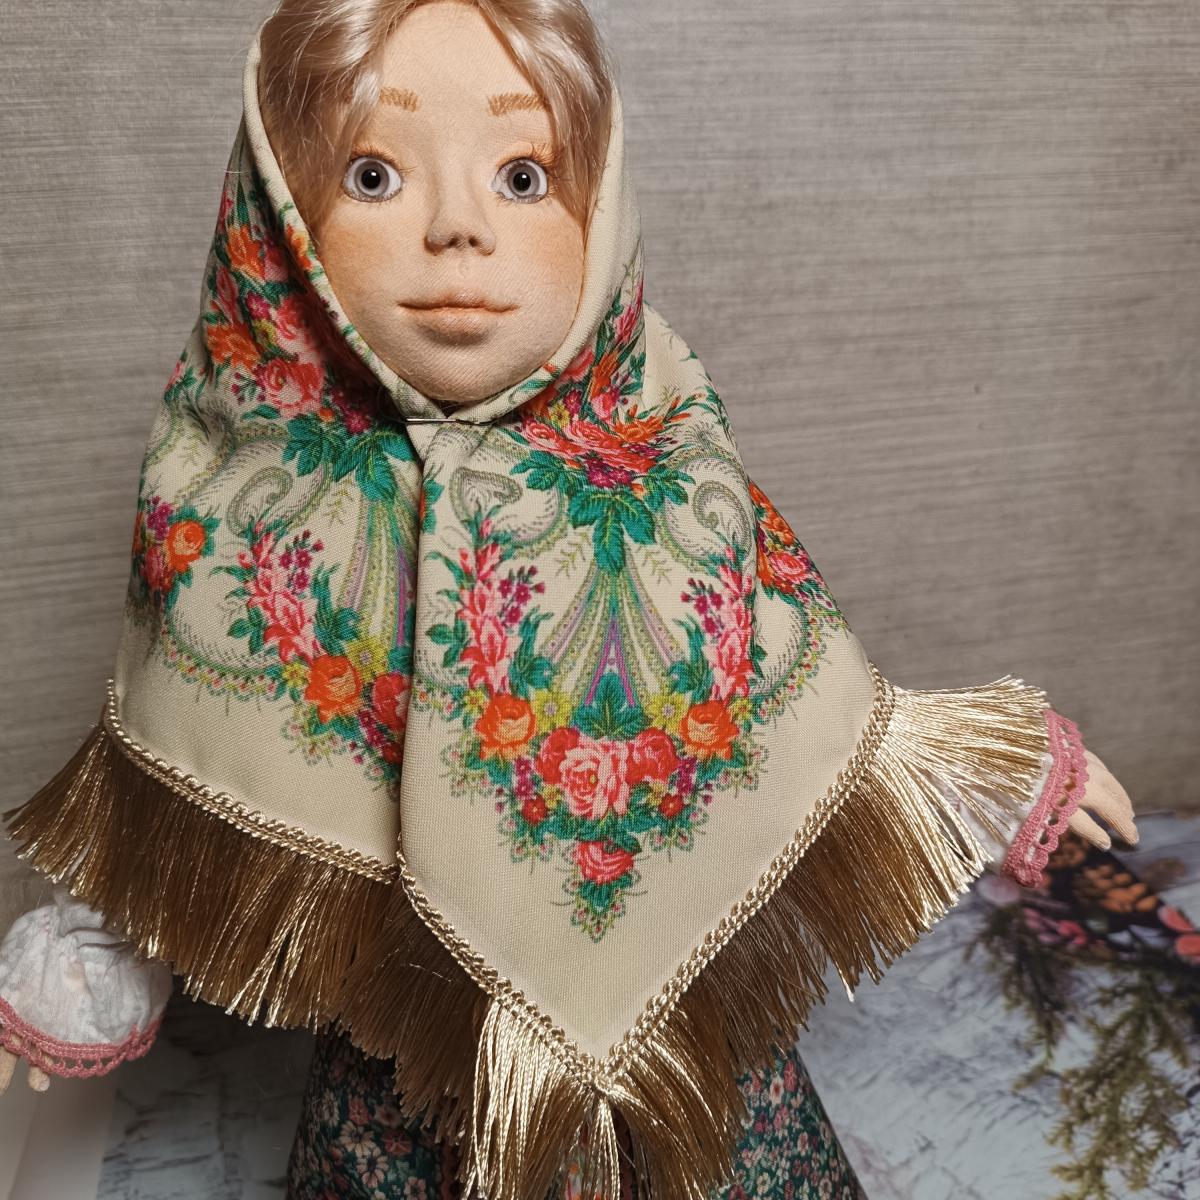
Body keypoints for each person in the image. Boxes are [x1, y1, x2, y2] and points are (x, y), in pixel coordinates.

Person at [0, 2, 1138, 1197]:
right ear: (279, 219)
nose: (458, 227)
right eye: (374, 175)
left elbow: (789, 687)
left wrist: (984, 770)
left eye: (524, 175)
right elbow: (198, 749)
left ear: (600, 205)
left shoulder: (662, 457)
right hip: (418, 1063)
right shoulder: (249, 496)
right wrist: (102, 947)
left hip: (685, 1059)